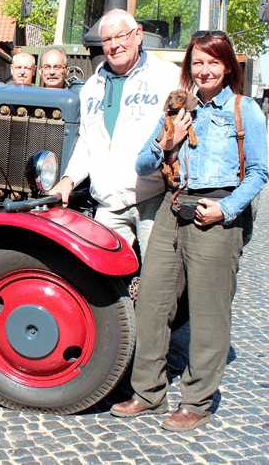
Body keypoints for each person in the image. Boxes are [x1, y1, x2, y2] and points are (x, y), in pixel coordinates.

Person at [110, 31, 268, 431]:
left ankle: (197, 401)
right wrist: (169, 141)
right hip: (172, 208)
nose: (205, 70)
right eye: (198, 62)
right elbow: (143, 164)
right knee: (151, 304)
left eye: (213, 62)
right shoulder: (178, 110)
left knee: (209, 314)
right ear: (189, 68)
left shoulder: (244, 109)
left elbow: (259, 172)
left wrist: (226, 208)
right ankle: (148, 394)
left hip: (217, 214)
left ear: (228, 66)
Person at [49, 9, 181, 259]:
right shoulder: (91, 87)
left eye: (121, 36)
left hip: (152, 199)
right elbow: (87, 142)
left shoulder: (166, 75)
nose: (114, 45)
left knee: (157, 278)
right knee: (97, 276)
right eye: (107, 40)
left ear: (138, 35)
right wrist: (67, 180)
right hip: (108, 206)